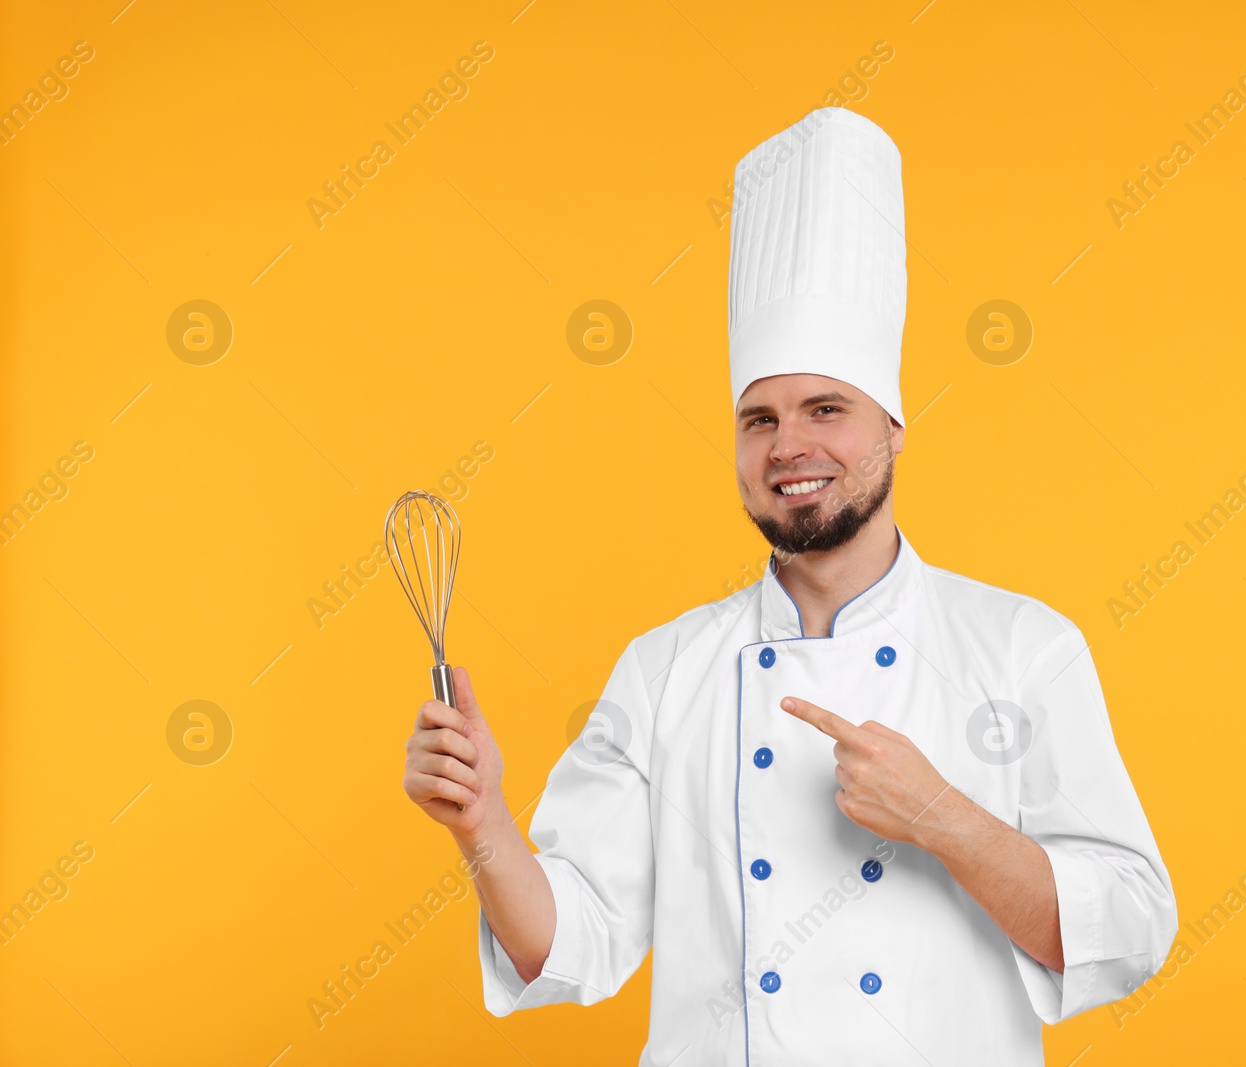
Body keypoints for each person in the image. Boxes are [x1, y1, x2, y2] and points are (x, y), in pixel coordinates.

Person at [402, 106, 1178, 1065]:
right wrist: (483, 826)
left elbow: (1131, 929)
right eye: (758, 419)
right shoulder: (664, 671)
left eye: (825, 408)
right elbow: (566, 944)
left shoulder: (1022, 650)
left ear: (893, 427)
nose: (789, 447)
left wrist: (944, 817)